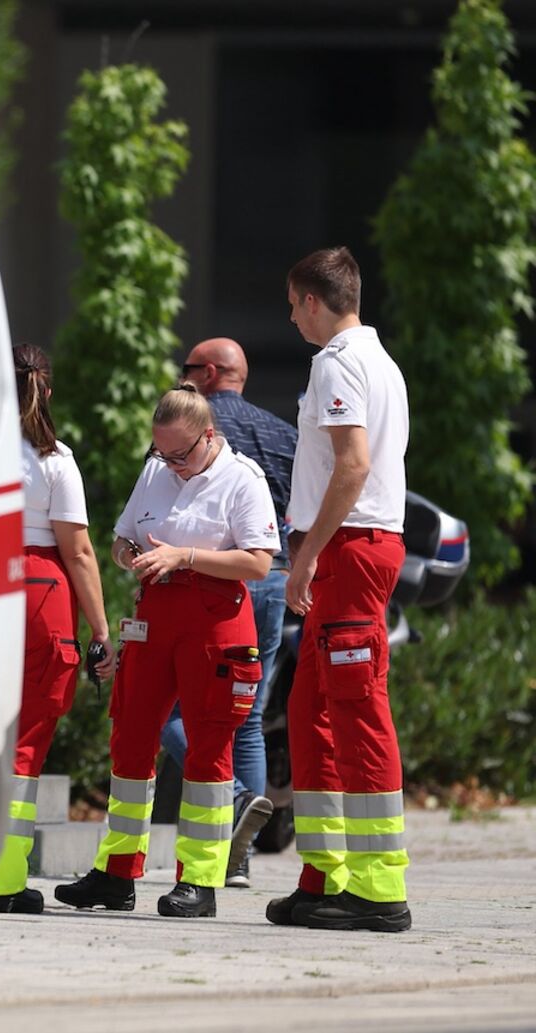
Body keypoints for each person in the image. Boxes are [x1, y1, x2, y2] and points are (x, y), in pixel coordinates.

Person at [54, 386, 278, 918]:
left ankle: (199, 881)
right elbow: (120, 539)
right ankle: (116, 874)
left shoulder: (242, 479)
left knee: (208, 748)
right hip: (154, 616)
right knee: (130, 737)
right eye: (162, 452)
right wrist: (128, 554)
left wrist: (186, 556)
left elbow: (258, 563)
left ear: (208, 436)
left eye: (181, 454)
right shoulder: (156, 469)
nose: (171, 464)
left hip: (215, 622)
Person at [269, 247, 413, 933]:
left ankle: (379, 890)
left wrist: (306, 558)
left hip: (350, 550)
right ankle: (324, 874)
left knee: (355, 711)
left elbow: (352, 467)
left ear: (313, 300)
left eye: (292, 305)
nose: (291, 318)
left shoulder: (337, 361)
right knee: (312, 709)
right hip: (355, 549)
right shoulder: (379, 361)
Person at [161, 337, 299, 889]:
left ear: (211, 372)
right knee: (249, 713)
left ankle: (236, 798)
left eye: (187, 367)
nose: (182, 376)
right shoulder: (283, 434)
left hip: (211, 583)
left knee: (175, 707)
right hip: (273, 576)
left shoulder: (192, 427)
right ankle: (239, 858)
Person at [0, 344, 113, 915]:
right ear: (47, 390)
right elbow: (80, 552)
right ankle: (4, 879)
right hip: (40, 595)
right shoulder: (54, 461)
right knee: (25, 741)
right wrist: (102, 631)